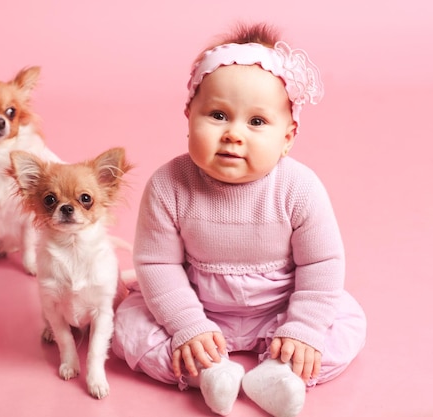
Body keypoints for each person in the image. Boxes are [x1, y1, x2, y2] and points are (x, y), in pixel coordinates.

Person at [112, 22, 366, 417]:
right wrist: (188, 326)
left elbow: (322, 264)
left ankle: (282, 373)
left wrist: (302, 329)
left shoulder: (300, 187)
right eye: (217, 115)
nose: (234, 134)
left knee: (346, 321)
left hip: (279, 307)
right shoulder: (168, 184)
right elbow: (157, 264)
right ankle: (209, 371)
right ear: (188, 116)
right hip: (196, 303)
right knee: (127, 327)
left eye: (257, 122)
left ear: (288, 137)